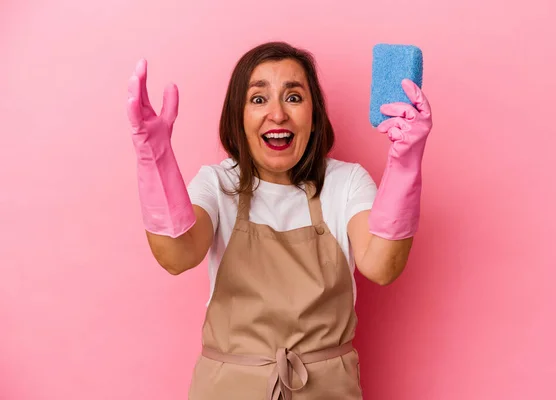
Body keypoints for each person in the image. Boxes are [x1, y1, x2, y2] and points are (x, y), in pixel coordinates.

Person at [126, 41, 432, 399]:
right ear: (237, 117)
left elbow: (382, 265)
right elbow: (177, 255)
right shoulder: (217, 183)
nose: (277, 114)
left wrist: (406, 162)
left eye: (293, 97)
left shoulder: (346, 183)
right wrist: (155, 158)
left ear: (314, 114)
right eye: (258, 99)